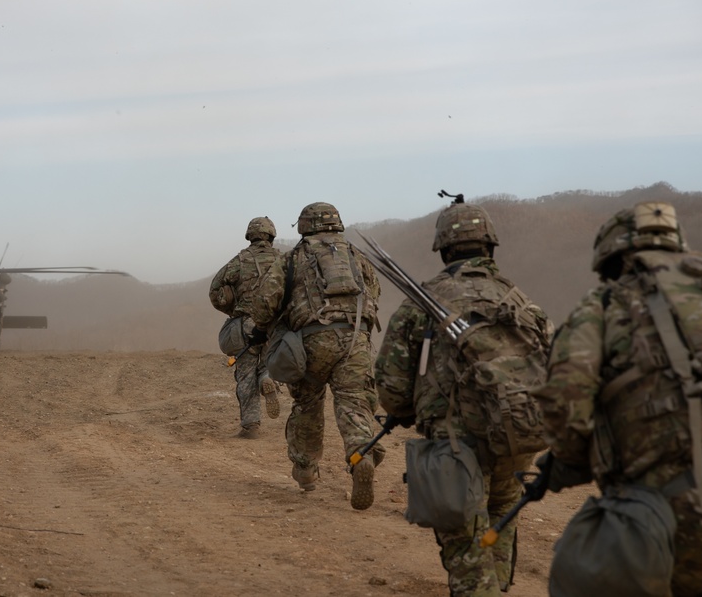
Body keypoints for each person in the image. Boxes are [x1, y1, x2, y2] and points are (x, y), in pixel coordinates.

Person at [534, 201, 702, 597]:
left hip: (669, 511)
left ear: (611, 257)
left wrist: (567, 465)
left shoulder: (604, 305)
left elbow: (565, 398)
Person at [374, 194, 553, 596]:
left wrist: (406, 409)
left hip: (454, 446)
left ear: (444, 251)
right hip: (516, 437)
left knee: (465, 550)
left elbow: (391, 386)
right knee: (501, 519)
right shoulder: (525, 304)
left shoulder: (420, 305)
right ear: (490, 246)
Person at [251, 202, 383, 509]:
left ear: (303, 226)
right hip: (355, 341)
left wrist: (261, 328)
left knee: (308, 404)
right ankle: (361, 453)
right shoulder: (356, 256)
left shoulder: (293, 258)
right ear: (337, 224)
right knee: (355, 402)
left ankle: (306, 470)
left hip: (310, 342)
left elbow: (265, 302)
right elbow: (373, 292)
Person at [209, 216, 283, 439]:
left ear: (249, 235)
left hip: (247, 324)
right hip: (276, 324)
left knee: (245, 373)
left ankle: (251, 426)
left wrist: (232, 310)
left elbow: (215, 290)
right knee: (271, 360)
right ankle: (267, 378)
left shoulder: (239, 261)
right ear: (271, 235)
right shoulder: (284, 259)